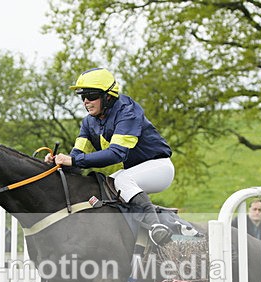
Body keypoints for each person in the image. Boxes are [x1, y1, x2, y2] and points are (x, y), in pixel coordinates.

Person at [45, 67, 174, 245]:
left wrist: (73, 160)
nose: (86, 102)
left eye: (91, 96)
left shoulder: (128, 112)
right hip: (134, 172)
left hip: (159, 167)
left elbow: (116, 154)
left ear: (107, 96)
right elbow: (77, 155)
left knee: (122, 181)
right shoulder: (88, 122)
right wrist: (59, 161)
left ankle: (156, 227)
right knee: (104, 187)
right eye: (82, 97)